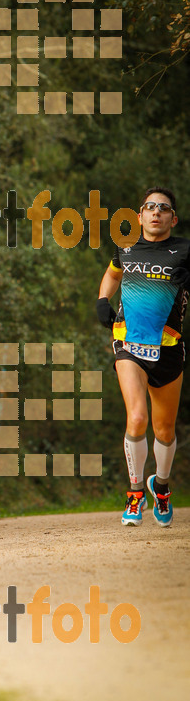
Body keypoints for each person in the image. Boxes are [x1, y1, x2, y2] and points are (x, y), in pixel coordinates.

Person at [97, 187, 190, 527]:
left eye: (163, 208)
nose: (156, 213)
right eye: (149, 207)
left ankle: (161, 487)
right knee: (137, 418)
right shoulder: (125, 249)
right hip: (128, 343)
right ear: (139, 216)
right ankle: (135, 494)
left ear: (172, 218)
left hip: (168, 347)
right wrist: (102, 300)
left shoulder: (185, 250)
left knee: (164, 429)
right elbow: (111, 273)